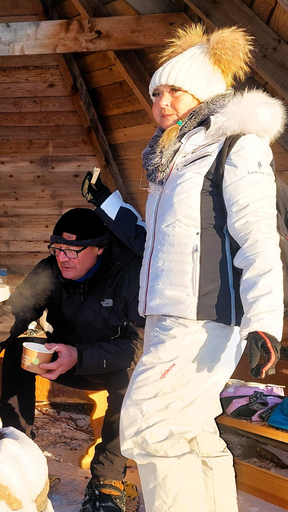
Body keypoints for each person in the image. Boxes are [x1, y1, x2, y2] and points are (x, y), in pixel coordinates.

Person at [119, 25, 284, 512]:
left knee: (151, 427)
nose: (162, 102)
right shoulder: (179, 160)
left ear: (206, 94)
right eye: (156, 93)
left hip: (202, 316)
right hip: (173, 316)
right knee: (189, 432)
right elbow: (164, 244)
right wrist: (109, 207)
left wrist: (265, 322)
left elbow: (258, 237)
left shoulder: (237, 147)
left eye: (174, 90)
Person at [0, 204, 145, 512]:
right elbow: (10, 314)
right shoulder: (51, 270)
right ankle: (18, 452)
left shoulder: (129, 274)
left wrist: (80, 355)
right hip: (62, 357)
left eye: (72, 251)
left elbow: (137, 345)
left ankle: (107, 481)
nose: (62, 258)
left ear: (98, 248)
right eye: (57, 248)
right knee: (18, 351)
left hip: (110, 361)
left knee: (131, 381)